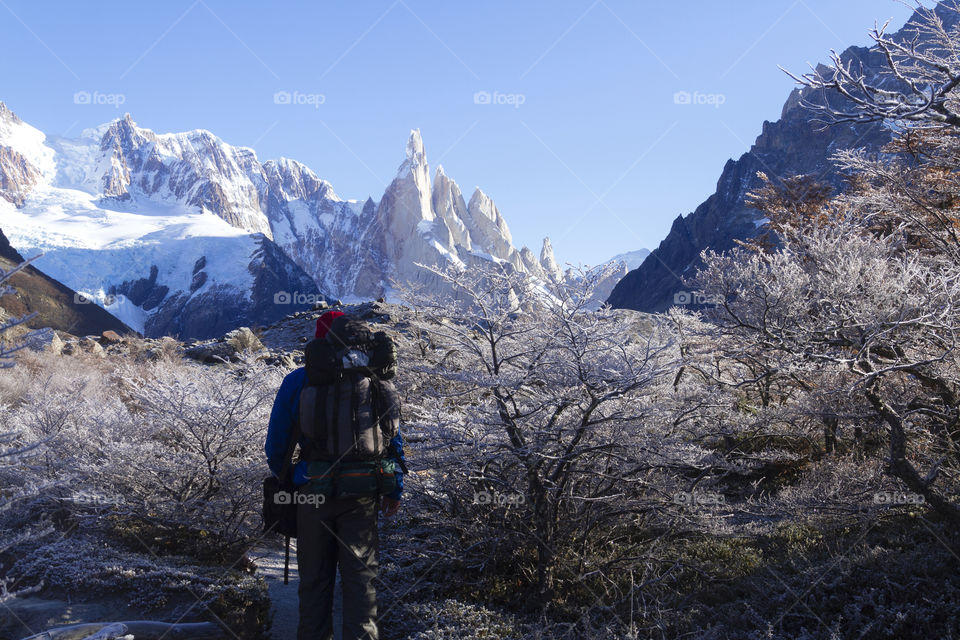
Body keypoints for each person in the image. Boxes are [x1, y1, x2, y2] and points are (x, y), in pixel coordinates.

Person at [265, 310, 406, 640]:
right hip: (363, 494)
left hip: (313, 492)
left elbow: (276, 447)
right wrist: (394, 489)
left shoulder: (298, 380)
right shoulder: (375, 378)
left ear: (320, 341)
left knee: (314, 584)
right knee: (362, 585)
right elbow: (392, 438)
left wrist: (295, 479)